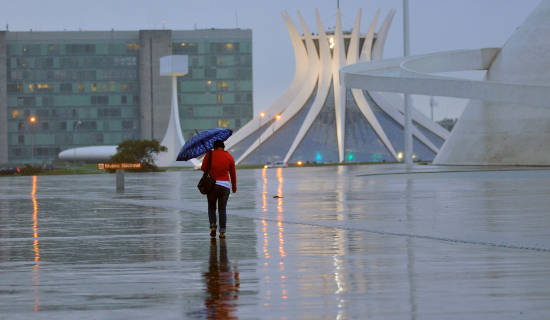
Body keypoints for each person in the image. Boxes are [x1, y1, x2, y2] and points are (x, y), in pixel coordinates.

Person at [201, 140, 237, 238]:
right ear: (223, 147)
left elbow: (203, 168)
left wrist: (209, 159)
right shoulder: (229, 156)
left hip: (212, 186)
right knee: (222, 209)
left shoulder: (210, 155)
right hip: (225, 186)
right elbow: (233, 173)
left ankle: (213, 226)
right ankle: (222, 232)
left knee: (212, 207)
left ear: (214, 147)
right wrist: (234, 187)